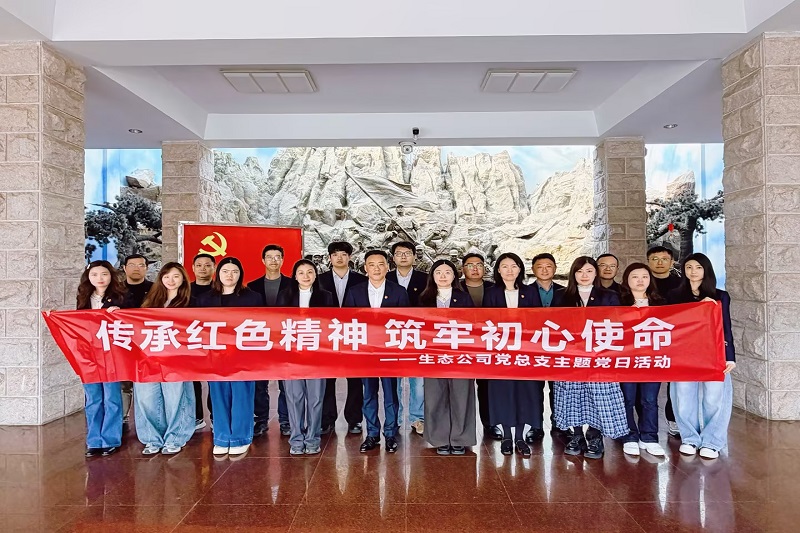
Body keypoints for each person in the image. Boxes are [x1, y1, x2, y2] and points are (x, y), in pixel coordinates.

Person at [554, 256, 628, 459]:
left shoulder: (609, 296)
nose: (584, 275)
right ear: (573, 274)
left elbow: (617, 326)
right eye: (579, 271)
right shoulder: (562, 296)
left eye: (588, 271)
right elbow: (553, 325)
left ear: (596, 273)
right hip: (571, 356)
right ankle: (576, 434)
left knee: (598, 396)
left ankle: (595, 436)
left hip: (600, 357)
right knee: (573, 395)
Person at [667, 253, 736, 459]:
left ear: (706, 270)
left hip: (713, 354)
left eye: (698, 267)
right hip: (683, 354)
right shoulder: (674, 295)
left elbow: (726, 326)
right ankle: (689, 438)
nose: (693, 271)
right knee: (683, 398)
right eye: (689, 267)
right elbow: (670, 324)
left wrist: (729, 356)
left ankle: (712, 441)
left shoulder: (720, 295)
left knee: (715, 398)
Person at [344, 250, 410, 453]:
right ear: (365, 268)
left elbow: (406, 323)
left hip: (389, 353)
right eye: (371, 265)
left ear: (387, 267)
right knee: (369, 395)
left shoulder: (398, 292)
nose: (376, 268)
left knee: (391, 396)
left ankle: (390, 434)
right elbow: (347, 321)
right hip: (365, 354)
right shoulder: (354, 292)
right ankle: (372, 434)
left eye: (381, 264)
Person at [197, 257, 264, 457]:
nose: (230, 275)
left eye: (235, 271)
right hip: (216, 355)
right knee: (218, 397)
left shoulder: (253, 297)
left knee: (241, 396)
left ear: (240, 274)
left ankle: (240, 438)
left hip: (243, 356)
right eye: (225, 271)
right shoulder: (205, 299)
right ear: (218, 273)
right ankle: (221, 437)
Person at [132, 262, 196, 455]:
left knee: (176, 399)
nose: (171, 280)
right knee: (147, 398)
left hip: (177, 360)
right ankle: (152, 439)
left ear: (183, 279)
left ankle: (176, 438)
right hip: (148, 359)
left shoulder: (191, 302)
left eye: (176, 276)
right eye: (166, 276)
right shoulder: (150, 300)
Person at [276, 259, 336, 454]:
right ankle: (296, 440)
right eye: (301, 272)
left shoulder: (325, 296)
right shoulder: (285, 296)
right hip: (292, 355)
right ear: (294, 276)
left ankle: (312, 439)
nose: (305, 276)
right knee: (294, 399)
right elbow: (277, 324)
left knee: (316, 398)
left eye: (310, 272)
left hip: (317, 356)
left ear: (315, 275)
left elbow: (331, 324)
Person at [483, 252, 540, 457]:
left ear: (520, 269)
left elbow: (538, 320)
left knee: (524, 393)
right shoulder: (491, 293)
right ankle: (507, 436)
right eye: (505, 266)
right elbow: (486, 322)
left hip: (525, 352)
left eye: (514, 266)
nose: (509, 270)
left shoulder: (530, 292)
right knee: (503, 393)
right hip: (500, 353)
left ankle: (520, 437)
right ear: (498, 270)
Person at [419, 260, 476, 455]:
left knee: (462, 396)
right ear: (432, 276)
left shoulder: (464, 298)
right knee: (435, 397)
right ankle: (440, 438)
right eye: (438, 272)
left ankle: (460, 438)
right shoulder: (424, 298)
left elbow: (473, 326)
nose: (443, 276)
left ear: (454, 276)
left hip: (460, 356)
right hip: (433, 355)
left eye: (447, 272)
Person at [75, 260, 127, 457]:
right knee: (93, 398)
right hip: (89, 355)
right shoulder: (83, 297)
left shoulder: (122, 297)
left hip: (112, 354)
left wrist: (120, 314)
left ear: (111, 276)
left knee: (111, 397)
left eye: (104, 274)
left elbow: (132, 321)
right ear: (88, 277)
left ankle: (110, 439)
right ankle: (94, 440)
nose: (100, 278)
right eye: (95, 274)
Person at [318, 241, 368, 434]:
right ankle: (327, 418)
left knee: (355, 379)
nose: (339, 258)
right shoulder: (320, 280)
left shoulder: (361, 280)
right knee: (327, 379)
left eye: (343, 254)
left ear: (349, 257)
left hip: (353, 334)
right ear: (330, 258)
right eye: (335, 254)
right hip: (327, 336)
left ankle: (354, 419)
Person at [618, 262, 666, 458]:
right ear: (627, 280)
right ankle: (629, 436)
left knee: (649, 400)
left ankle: (649, 437)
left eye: (644, 277)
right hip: (626, 360)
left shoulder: (661, 302)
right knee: (627, 399)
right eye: (635, 277)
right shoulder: (618, 302)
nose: (640, 281)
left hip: (651, 360)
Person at [247, 244, 292, 438]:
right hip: (260, 340)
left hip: (285, 339)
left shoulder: (292, 284)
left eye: (277, 257)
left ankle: (286, 420)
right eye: (269, 257)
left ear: (282, 260)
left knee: (286, 384)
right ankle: (261, 420)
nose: (274, 260)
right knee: (260, 384)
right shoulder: (252, 286)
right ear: (263, 260)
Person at [460, 252, 501, 440]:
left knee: (487, 387)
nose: (475, 268)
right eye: (470, 265)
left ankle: (490, 423)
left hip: (488, 345)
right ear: (462, 269)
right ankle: (463, 427)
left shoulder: (494, 288)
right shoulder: (455, 287)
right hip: (462, 345)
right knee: (462, 388)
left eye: (479, 265)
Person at [387, 241, 426, 436]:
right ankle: (395, 417)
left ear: (414, 256)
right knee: (392, 380)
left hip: (418, 335)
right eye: (399, 253)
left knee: (417, 381)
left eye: (407, 253)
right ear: (393, 258)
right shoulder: (385, 278)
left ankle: (418, 418)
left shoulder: (425, 279)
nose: (403, 256)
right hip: (390, 335)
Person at [530, 253, 566, 439]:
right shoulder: (525, 291)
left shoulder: (565, 292)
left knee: (558, 387)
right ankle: (535, 425)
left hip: (559, 347)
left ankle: (558, 423)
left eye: (548, 266)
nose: (544, 270)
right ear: (533, 269)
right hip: (533, 347)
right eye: (540, 266)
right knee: (534, 388)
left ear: (555, 268)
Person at [647, 245, 682, 437]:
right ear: (648, 261)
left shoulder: (681, 283)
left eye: (664, 259)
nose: (659, 263)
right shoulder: (642, 280)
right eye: (655, 259)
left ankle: (673, 418)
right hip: (646, 339)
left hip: (674, 338)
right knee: (647, 383)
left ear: (672, 261)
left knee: (674, 382)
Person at [121, 254, 153, 428]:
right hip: (123, 342)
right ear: (124, 268)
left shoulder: (155, 289)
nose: (136, 268)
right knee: (124, 382)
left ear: (146, 268)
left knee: (147, 384)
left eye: (141, 265)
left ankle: (149, 421)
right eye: (132, 265)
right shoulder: (116, 290)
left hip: (149, 343)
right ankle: (122, 417)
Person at [190, 253, 216, 430]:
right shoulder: (185, 289)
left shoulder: (221, 288)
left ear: (214, 268)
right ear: (193, 268)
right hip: (191, 341)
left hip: (215, 340)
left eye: (207, 265)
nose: (203, 269)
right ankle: (196, 417)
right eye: (199, 265)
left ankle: (215, 416)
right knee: (193, 381)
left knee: (214, 380)